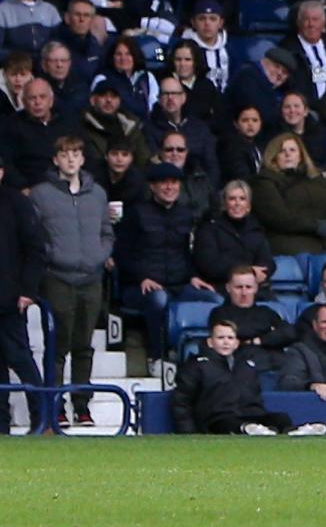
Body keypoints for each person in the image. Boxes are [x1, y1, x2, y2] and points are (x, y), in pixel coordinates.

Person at [29, 135, 111, 425]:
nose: (71, 159)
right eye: (65, 154)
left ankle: (82, 405)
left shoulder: (98, 194)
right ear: (56, 159)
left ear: (83, 159)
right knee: (57, 345)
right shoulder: (40, 194)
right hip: (58, 277)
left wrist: (100, 255)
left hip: (91, 277)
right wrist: (53, 255)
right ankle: (56, 405)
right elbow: (35, 236)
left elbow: (106, 230)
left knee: (84, 345)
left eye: (76, 153)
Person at [116, 162, 220, 377]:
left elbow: (185, 252)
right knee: (158, 300)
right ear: (152, 187)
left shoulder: (185, 214)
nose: (169, 187)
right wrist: (141, 277)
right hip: (140, 287)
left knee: (214, 300)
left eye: (174, 183)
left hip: (180, 283)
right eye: (163, 183)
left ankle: (210, 358)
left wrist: (193, 276)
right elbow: (122, 254)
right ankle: (157, 356)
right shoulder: (136, 213)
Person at [171, 321, 312, 435]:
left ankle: (292, 431)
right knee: (227, 423)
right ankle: (249, 430)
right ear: (210, 342)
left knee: (281, 418)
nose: (226, 342)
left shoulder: (247, 365)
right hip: (217, 419)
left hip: (251, 414)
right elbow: (182, 401)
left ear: (236, 343)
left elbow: (255, 395)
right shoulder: (197, 365)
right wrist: (188, 432)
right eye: (220, 338)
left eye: (230, 338)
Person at [0, 152, 47, 433]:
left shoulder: (17, 203)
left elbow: (35, 250)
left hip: (10, 300)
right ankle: (1, 424)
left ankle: (42, 418)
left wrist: (27, 291)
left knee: (20, 359)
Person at [249, 134, 326, 256]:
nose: (288, 154)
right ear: (274, 157)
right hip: (290, 244)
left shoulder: (316, 179)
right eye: (282, 151)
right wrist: (315, 226)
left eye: (292, 150)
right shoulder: (264, 181)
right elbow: (279, 217)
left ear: (301, 156)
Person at [206, 266, 294, 370]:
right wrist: (269, 333)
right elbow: (239, 331)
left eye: (248, 287)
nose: (244, 293)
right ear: (228, 288)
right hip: (241, 367)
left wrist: (258, 340)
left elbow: (289, 333)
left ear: (256, 288)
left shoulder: (266, 312)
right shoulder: (219, 313)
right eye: (239, 287)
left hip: (276, 365)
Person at [193, 180, 274, 290]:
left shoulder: (256, 229)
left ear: (248, 204)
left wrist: (262, 272)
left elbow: (268, 263)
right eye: (232, 199)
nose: (237, 203)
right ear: (225, 203)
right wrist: (248, 271)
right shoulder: (209, 228)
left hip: (253, 290)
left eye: (242, 199)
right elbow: (209, 265)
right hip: (220, 289)